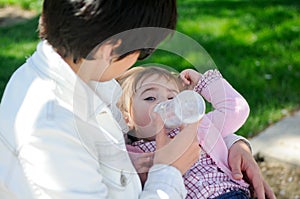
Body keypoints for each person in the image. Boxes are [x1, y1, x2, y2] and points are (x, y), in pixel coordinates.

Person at [0, 0, 275, 198]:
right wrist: (168, 170)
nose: (140, 62)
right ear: (110, 49)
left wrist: (235, 146)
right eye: (142, 53)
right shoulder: (51, 131)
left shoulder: (91, 80)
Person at [117, 66, 276, 199]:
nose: (165, 103)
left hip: (231, 193)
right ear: (127, 117)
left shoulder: (197, 127)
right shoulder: (132, 154)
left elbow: (236, 109)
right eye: (150, 98)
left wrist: (202, 82)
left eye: (172, 97)